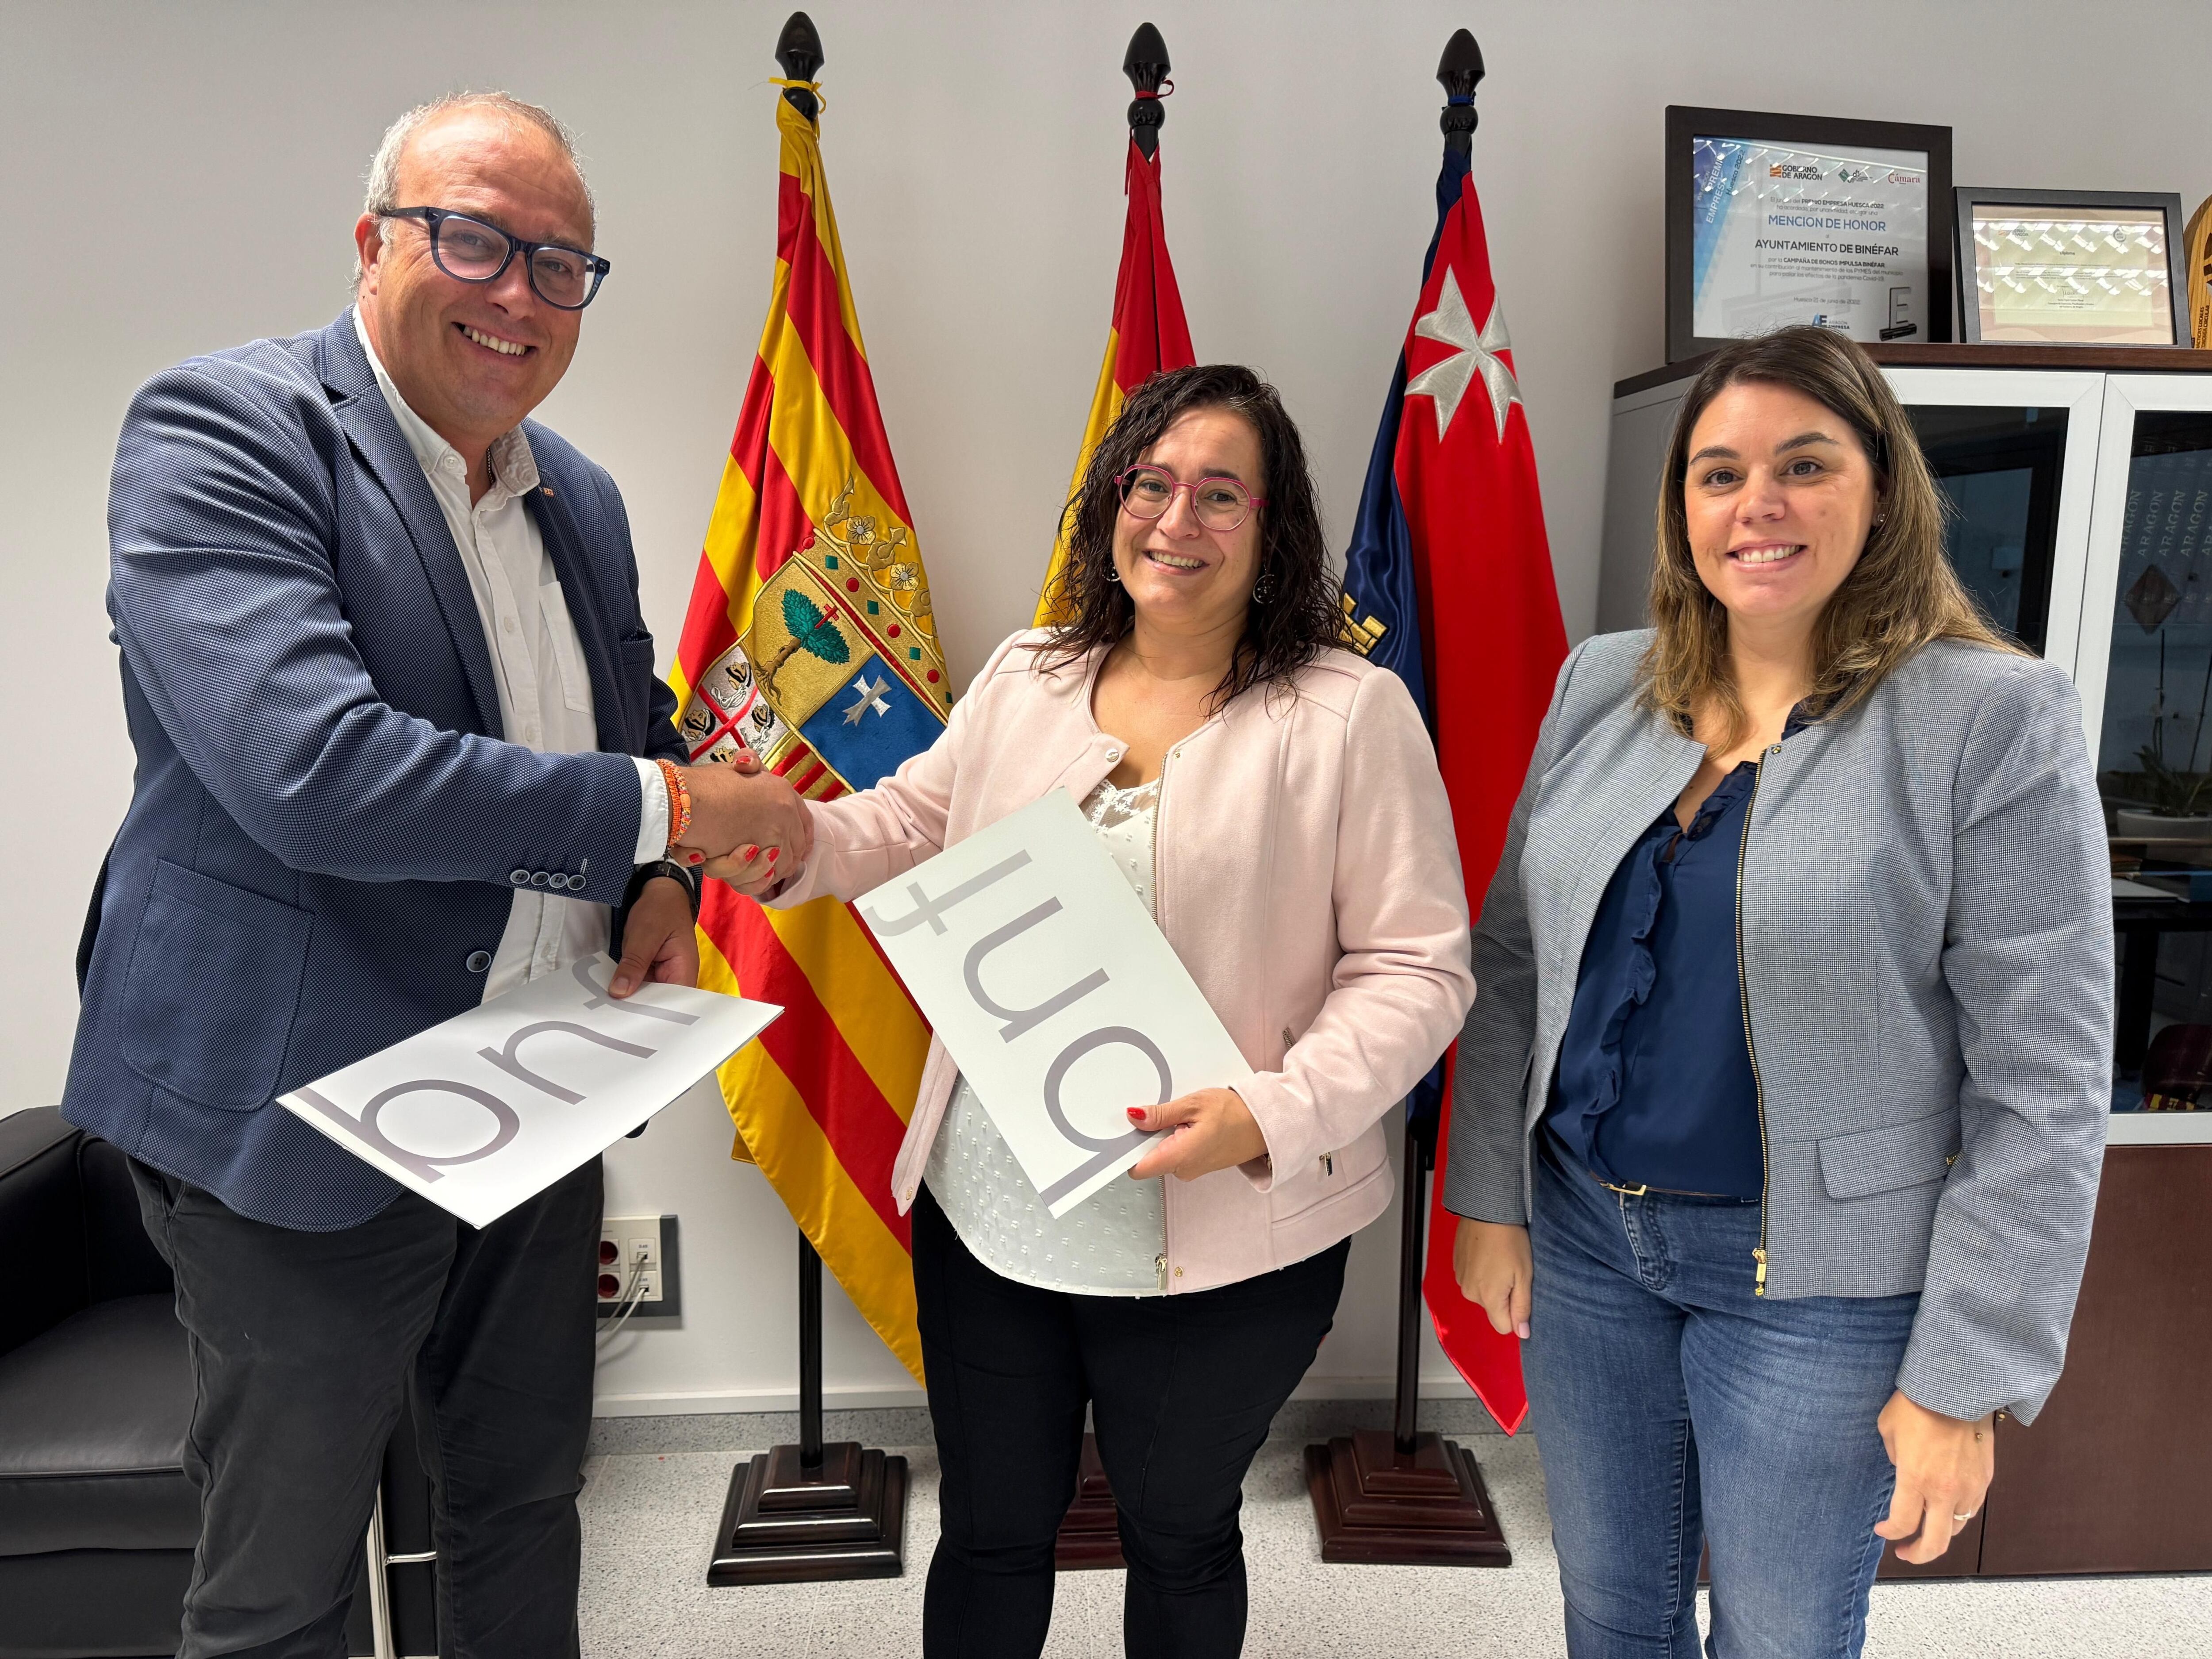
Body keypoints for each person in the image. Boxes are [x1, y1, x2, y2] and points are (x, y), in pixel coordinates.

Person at [63, 92, 802, 1658]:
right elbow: (315, 777)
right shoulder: (224, 432)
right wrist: (673, 806)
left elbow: (624, 725)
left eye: (561, 264)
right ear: (374, 242)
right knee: (286, 1579)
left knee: (524, 1504)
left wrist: (664, 889)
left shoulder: (578, 497)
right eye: (474, 238)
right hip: (295, 1110)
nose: (517, 292)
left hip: (535, 1091)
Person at [701, 364, 1474, 1658]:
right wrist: (787, 841)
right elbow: (907, 828)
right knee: (996, 1526)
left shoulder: (1350, 713)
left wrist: (1268, 1114)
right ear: (1111, 503)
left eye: (1219, 494)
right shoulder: (1029, 672)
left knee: (1178, 1530)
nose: (1176, 520)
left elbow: (1417, 969)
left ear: (1272, 528)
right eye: (1150, 484)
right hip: (996, 1208)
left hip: (1226, 1227)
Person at [1444, 325, 2112, 1657]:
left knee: (1782, 1634)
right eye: (1719, 472)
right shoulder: (1603, 687)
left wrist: (1966, 1376)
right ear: (1681, 504)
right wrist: (1489, 1195)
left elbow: (2042, 1081)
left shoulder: (1989, 718)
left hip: (1820, 1283)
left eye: (1804, 465)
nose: (1758, 504)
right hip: (1587, 1243)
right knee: (1613, 1613)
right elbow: (1517, 956)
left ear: (1882, 488)